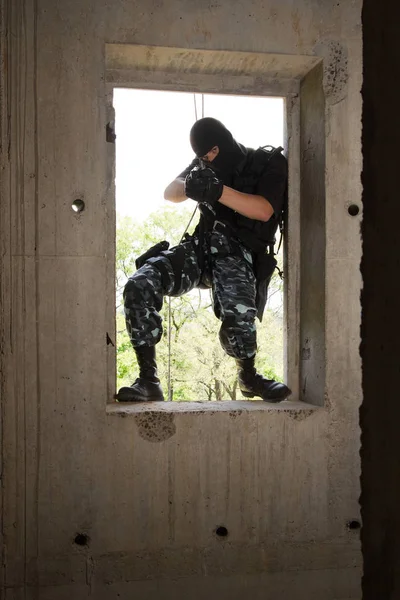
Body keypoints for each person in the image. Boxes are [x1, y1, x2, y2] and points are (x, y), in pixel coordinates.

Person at [115, 117, 291, 403]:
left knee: (238, 315)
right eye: (203, 156)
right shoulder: (203, 163)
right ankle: (148, 380)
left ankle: (248, 377)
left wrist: (218, 191)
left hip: (239, 254)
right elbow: (169, 192)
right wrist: (192, 183)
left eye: (212, 153)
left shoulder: (267, 161)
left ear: (223, 144)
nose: (208, 159)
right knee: (139, 284)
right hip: (201, 249)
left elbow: (264, 210)